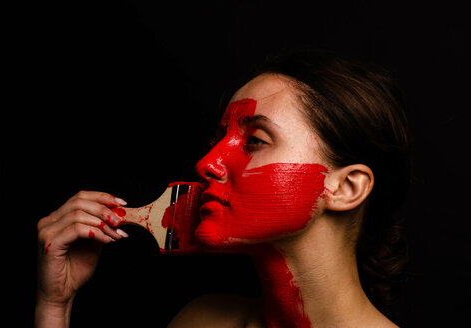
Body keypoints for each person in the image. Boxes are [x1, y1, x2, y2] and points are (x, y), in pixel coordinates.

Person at [35, 49, 411, 327]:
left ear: (346, 188)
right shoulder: (200, 320)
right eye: (219, 138)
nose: (207, 163)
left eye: (255, 140)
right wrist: (54, 307)